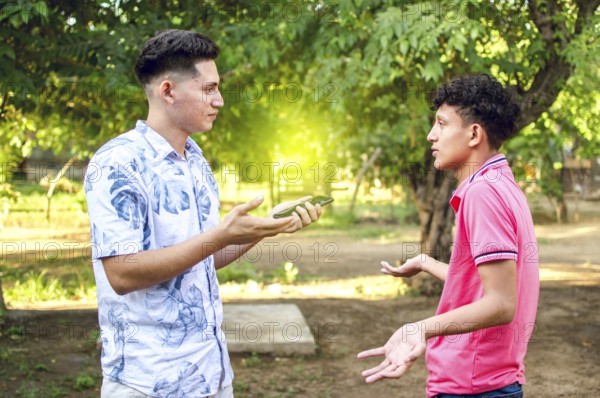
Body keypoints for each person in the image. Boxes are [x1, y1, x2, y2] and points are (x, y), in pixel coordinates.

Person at [84, 29, 323, 398]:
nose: (220, 101)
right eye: (209, 89)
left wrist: (265, 227)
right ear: (168, 91)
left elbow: (202, 259)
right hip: (147, 381)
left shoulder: (194, 159)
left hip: (210, 374)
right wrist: (221, 234)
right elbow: (121, 273)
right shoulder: (117, 163)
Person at [358, 74, 539, 398]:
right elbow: (486, 285)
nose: (431, 136)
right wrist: (427, 262)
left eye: (441, 124)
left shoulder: (483, 194)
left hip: (473, 386)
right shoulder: (502, 184)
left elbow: (501, 303)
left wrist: (419, 328)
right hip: (490, 381)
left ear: (473, 134)